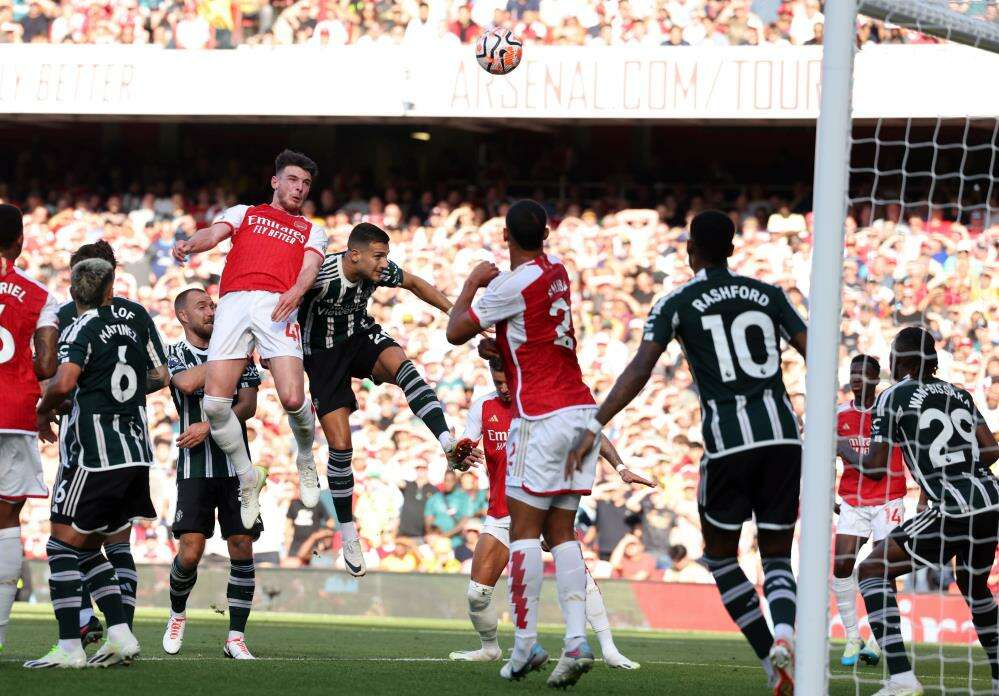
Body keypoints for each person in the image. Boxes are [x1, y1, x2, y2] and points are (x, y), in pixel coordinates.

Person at [568, 210, 808, 696]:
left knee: (721, 558)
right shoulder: (769, 295)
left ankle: (770, 656)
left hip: (729, 442)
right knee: (777, 555)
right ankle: (785, 633)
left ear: (689, 250)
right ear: (733, 250)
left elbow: (640, 369)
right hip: (784, 438)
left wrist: (595, 424)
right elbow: (815, 350)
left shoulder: (676, 302)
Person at [446, 199, 607, 688]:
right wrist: (501, 345)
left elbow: (455, 331)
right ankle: (576, 642)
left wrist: (473, 281)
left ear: (505, 236)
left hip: (541, 415)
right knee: (562, 531)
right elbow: (534, 335)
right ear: (547, 235)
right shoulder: (557, 271)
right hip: (582, 411)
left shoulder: (508, 285)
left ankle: (525, 645)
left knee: (523, 528)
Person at [448, 359, 647, 669]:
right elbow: (462, 454)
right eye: (497, 382)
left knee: (579, 577)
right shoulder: (483, 407)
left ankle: (609, 649)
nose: (503, 388)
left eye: (507, 380)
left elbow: (591, 430)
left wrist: (620, 468)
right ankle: (489, 649)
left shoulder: (546, 402)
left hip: (544, 508)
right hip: (502, 511)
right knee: (476, 595)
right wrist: (458, 458)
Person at [172, 149, 328, 530]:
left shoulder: (312, 230)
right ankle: (247, 477)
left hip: (277, 303)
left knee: (293, 399)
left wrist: (297, 291)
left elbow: (310, 267)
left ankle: (305, 456)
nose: (300, 188)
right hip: (234, 303)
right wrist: (192, 243)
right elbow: (213, 234)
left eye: (306, 183)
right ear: (275, 181)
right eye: (293, 180)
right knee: (215, 405)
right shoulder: (245, 213)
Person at [298, 222, 456, 577]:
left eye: (386, 256)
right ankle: (348, 532)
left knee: (404, 367)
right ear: (354, 255)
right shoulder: (321, 275)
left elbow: (414, 283)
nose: (385, 263)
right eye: (379, 256)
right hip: (322, 356)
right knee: (341, 447)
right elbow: (284, 300)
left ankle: (447, 440)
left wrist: (453, 310)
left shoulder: (378, 272)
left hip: (360, 337)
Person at [852, 327, 999, 696]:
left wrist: (842, 449)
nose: (889, 360)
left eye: (892, 353)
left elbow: (875, 466)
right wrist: (959, 467)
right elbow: (990, 450)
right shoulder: (959, 393)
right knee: (973, 585)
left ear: (902, 358)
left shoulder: (892, 396)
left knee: (871, 570)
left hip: (953, 506)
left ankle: (901, 678)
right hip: (991, 499)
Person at [25, 259, 152, 668]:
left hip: (96, 454)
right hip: (136, 451)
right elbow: (157, 375)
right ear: (110, 290)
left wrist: (43, 411)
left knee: (60, 545)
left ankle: (69, 646)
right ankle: (120, 635)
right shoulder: (132, 327)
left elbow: (63, 382)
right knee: (91, 546)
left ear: (72, 290)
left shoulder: (82, 326)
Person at [52, 240, 168, 647]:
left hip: (86, 443)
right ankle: (123, 631)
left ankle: (81, 626)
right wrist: (125, 396)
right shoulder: (135, 314)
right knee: (117, 541)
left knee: (67, 539)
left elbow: (56, 377)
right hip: (133, 440)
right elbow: (161, 375)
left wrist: (85, 396)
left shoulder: (70, 316)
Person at [161, 287, 263, 660]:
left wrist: (209, 426)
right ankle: (177, 613)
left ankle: (235, 637)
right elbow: (186, 383)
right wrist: (228, 355)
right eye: (202, 306)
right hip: (194, 469)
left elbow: (248, 404)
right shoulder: (174, 353)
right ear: (183, 316)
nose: (211, 310)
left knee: (242, 545)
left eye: (213, 305)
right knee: (190, 551)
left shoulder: (239, 351)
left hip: (237, 467)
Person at [0, 203, 59, 654]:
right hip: (14, 413)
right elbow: (46, 364)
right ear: (19, 242)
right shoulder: (39, 295)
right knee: (5, 520)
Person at [831, 354, 907, 667]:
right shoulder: (839, 414)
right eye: (853, 372)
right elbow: (827, 457)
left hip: (888, 498)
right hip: (853, 498)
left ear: (876, 379)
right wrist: (827, 495)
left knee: (883, 568)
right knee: (841, 564)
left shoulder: (889, 413)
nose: (856, 378)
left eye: (863, 373)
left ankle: (878, 638)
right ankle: (852, 635)